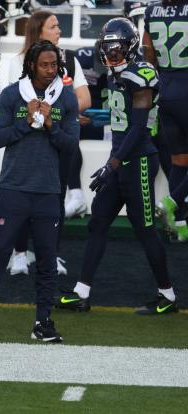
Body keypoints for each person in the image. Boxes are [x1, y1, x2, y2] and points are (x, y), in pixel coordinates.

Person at [0, 40, 79, 343]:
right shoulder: (13, 94)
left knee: (48, 259)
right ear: (31, 66)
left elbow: (70, 145)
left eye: (54, 65)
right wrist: (26, 122)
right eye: (45, 65)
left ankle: (43, 322)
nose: (50, 70)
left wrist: (51, 124)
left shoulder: (66, 98)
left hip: (49, 190)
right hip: (13, 188)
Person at [57, 18, 179, 315]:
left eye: (117, 49)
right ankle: (81, 293)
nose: (111, 55)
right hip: (119, 160)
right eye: (107, 49)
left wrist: (112, 164)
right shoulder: (115, 73)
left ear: (131, 47)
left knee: (145, 230)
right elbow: (121, 119)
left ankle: (168, 296)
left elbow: (138, 129)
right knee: (97, 222)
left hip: (137, 162)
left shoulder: (142, 75)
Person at [6, 10, 91, 276]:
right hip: (26, 142)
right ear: (38, 31)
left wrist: (53, 114)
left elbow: (85, 99)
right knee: (21, 200)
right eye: (53, 26)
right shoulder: (18, 61)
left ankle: (51, 255)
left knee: (55, 199)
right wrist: (62, 111)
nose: (59, 31)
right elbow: (14, 104)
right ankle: (18, 254)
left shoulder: (69, 59)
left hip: (57, 141)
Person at [143, 0, 188, 241]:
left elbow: (148, 53)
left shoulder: (151, 10)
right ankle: (172, 201)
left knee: (180, 161)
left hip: (165, 88)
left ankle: (179, 226)